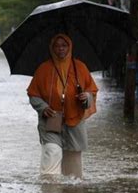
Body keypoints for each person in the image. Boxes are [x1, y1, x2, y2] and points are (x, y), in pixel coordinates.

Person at [27, 33, 98, 178]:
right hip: (52, 118)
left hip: (75, 119)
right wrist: (43, 108)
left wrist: (86, 97)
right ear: (52, 48)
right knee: (52, 151)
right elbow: (33, 94)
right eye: (57, 46)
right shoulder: (43, 69)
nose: (61, 49)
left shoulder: (80, 67)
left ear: (70, 47)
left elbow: (92, 90)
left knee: (73, 166)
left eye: (64, 45)